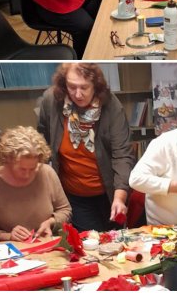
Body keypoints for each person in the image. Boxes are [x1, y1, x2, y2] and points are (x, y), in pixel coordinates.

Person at [37, 63, 133, 232]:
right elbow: (41, 143)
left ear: (96, 86)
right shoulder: (51, 101)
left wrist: (119, 198)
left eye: (84, 88)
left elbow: (122, 155)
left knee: (115, 242)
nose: (78, 94)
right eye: (72, 87)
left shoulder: (111, 105)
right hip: (74, 194)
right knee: (91, 243)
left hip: (109, 192)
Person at [0, 127, 72, 242]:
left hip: (46, 245)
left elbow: (65, 210)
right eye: (22, 169)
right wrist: (8, 236)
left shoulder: (47, 173)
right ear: (7, 161)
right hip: (10, 250)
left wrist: (51, 222)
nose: (27, 175)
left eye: (33, 168)